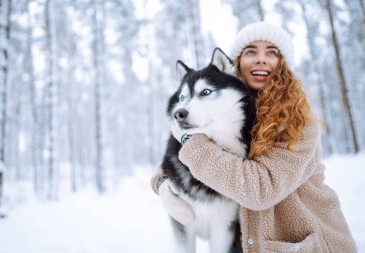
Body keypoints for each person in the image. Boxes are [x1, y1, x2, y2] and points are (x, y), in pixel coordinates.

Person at [151, 22, 357, 253]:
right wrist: (161, 182)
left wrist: (190, 142)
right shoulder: (232, 114)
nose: (261, 59)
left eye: (271, 52)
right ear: (236, 64)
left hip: (310, 244)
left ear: (283, 66)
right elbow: (182, 158)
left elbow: (260, 190)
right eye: (251, 52)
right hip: (252, 241)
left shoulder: (297, 122)